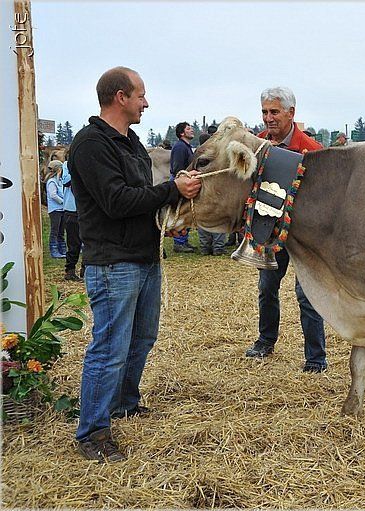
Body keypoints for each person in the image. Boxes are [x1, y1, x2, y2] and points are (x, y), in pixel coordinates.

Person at [68, 66, 201, 462]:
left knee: (141, 338)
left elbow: (142, 194)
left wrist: (170, 205)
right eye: (141, 95)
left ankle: (123, 403)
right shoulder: (91, 144)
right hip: (113, 262)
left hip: (143, 257)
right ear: (120, 97)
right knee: (110, 347)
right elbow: (117, 201)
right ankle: (93, 432)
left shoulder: (131, 142)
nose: (146, 103)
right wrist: (171, 190)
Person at [244, 86, 327, 373]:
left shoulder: (312, 150)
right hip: (270, 231)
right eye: (265, 112)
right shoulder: (257, 147)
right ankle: (265, 341)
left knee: (307, 295)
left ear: (291, 113)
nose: (268, 118)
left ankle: (315, 357)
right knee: (267, 288)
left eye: (274, 112)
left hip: (304, 236)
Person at [170, 122, 197, 253]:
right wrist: (181, 182)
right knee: (181, 212)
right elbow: (177, 168)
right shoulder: (180, 147)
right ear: (182, 133)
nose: (192, 130)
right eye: (188, 128)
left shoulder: (186, 146)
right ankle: (179, 242)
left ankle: (183, 240)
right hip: (181, 183)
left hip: (186, 182)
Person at [61, 158, 84, 281]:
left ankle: (85, 269)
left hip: (86, 210)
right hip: (71, 210)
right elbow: (65, 181)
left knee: (89, 242)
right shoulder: (66, 165)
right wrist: (76, 169)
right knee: (73, 243)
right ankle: (70, 270)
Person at [44, 159, 67, 259]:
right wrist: (63, 201)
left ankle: (62, 249)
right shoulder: (52, 182)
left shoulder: (60, 181)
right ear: (59, 169)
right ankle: (54, 250)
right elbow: (53, 195)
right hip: (55, 210)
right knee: (55, 230)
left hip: (62, 210)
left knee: (61, 231)